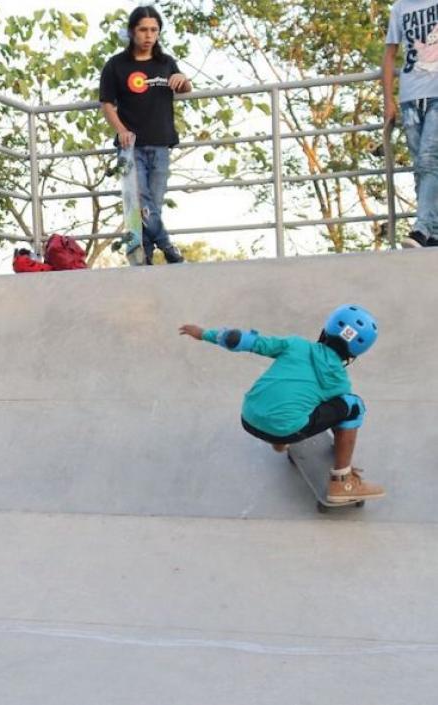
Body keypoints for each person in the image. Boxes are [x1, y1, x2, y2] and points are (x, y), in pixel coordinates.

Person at [178, 306, 386, 504]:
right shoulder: (339, 382)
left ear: (326, 330)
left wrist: (204, 333)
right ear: (355, 354)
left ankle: (279, 444)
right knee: (353, 406)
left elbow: (243, 340)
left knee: (291, 397)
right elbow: (338, 414)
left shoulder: (295, 345)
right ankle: (342, 483)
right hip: (284, 429)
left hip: (248, 416)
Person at [99, 5, 191, 265]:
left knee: (154, 204)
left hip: (162, 143)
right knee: (140, 199)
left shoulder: (165, 62)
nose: (149, 35)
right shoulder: (116, 65)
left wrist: (182, 78)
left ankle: (147, 255)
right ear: (132, 32)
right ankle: (167, 246)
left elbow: (184, 88)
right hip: (131, 146)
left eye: (154, 30)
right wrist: (122, 130)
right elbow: (107, 103)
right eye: (143, 30)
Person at [384, 1, 438, 247]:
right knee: (421, 167)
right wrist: (388, 100)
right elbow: (390, 55)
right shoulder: (399, 8)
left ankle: (421, 229)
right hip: (409, 98)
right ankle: (434, 234)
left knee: (428, 159)